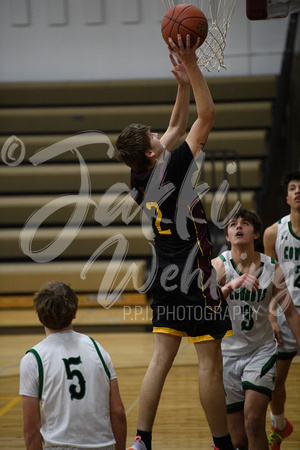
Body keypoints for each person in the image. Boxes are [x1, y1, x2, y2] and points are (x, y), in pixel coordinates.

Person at [116, 34, 234, 450]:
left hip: (164, 277)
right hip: (196, 276)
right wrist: (194, 64)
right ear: (151, 153)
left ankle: (141, 440)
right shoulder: (175, 167)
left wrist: (181, 83)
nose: (157, 136)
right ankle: (222, 443)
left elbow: (176, 126)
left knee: (160, 361)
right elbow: (207, 116)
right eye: (151, 138)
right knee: (209, 367)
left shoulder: (138, 175)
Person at [212, 209, 300, 450]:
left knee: (253, 422)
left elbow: (290, 312)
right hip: (226, 355)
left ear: (256, 233)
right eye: (233, 224)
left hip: (260, 352)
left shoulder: (272, 268)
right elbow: (202, 307)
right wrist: (229, 286)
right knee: (238, 439)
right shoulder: (219, 267)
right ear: (228, 236)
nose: (238, 226)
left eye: (245, 223)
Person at [19, 281, 127, 450]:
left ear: (39, 315)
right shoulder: (97, 349)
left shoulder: (33, 359)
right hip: (102, 446)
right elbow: (118, 412)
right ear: (74, 313)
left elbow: (32, 430)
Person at [263, 170, 300, 449]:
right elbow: (271, 282)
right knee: (276, 382)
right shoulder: (274, 233)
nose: (298, 191)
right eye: (293, 187)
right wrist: (272, 316)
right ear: (286, 197)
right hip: (287, 314)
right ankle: (278, 426)